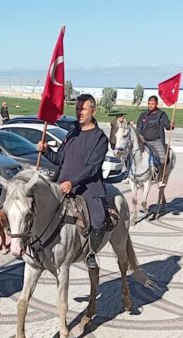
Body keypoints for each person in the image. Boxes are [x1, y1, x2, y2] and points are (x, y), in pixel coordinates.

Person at [37, 94, 109, 270]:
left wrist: (73, 182)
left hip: (87, 186)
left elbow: (93, 167)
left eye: (83, 109)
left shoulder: (100, 138)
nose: (79, 113)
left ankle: (91, 253)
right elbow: (59, 158)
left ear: (93, 110)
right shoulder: (72, 133)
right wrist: (46, 151)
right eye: (77, 109)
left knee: (99, 219)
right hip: (60, 183)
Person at [136, 96, 174, 174]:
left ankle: (160, 178)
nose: (150, 105)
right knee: (132, 155)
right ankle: (130, 175)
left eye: (153, 104)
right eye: (149, 103)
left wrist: (171, 125)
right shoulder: (143, 115)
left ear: (157, 104)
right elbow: (138, 129)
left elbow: (167, 126)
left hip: (157, 141)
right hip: (144, 141)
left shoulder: (162, 115)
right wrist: (141, 138)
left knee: (163, 159)